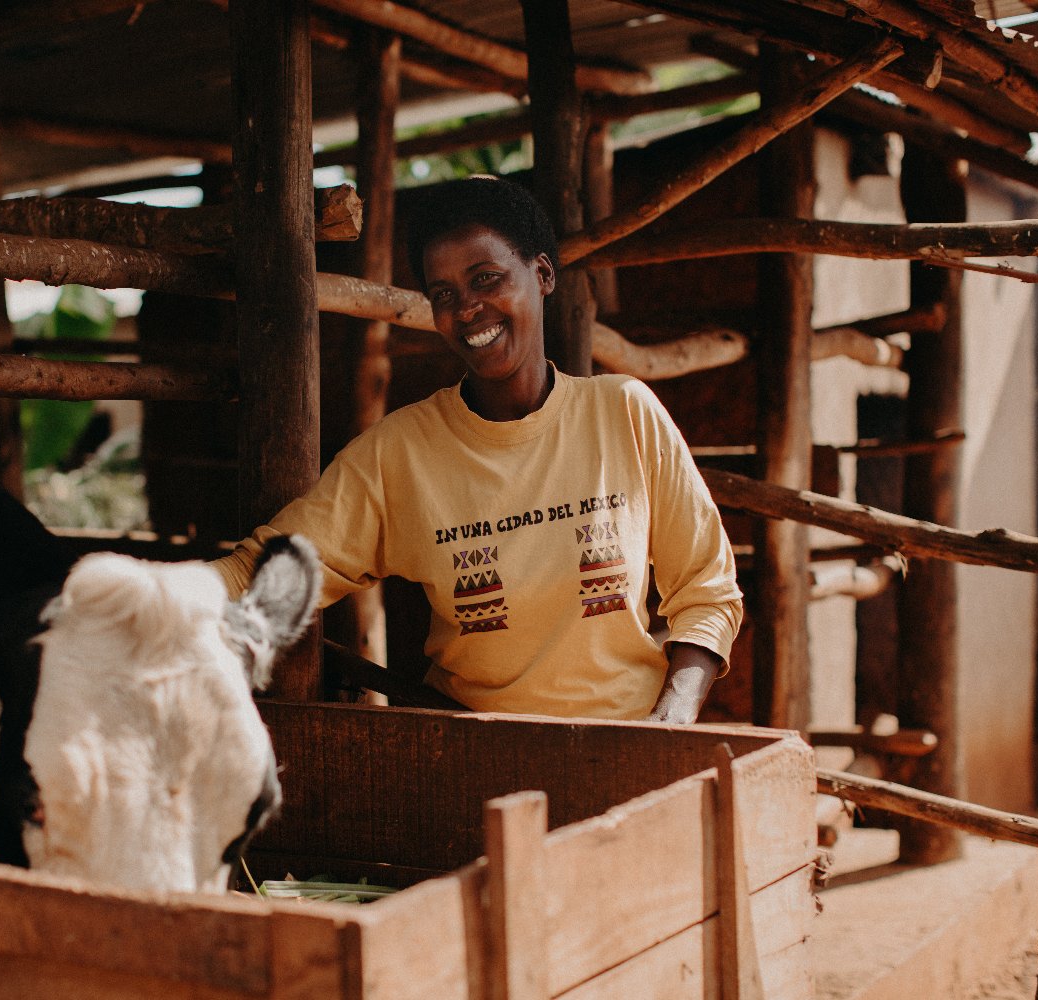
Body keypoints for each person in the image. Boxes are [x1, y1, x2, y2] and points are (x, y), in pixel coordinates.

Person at [212, 175, 741, 724]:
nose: (466, 308)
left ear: (542, 275)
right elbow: (268, 568)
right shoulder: (401, 453)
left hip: (629, 746)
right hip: (474, 754)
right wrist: (151, 595)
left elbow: (708, 591)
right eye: (444, 294)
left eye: (486, 278)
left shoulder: (625, 414)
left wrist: (671, 720)